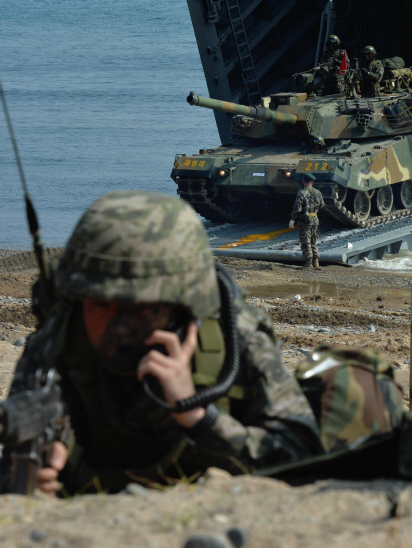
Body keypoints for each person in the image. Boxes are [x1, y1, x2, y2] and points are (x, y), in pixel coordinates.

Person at [0, 191, 322, 495]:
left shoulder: (235, 336)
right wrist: (43, 468)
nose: (120, 328)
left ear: (182, 308)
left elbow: (304, 461)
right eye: (100, 304)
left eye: (143, 308)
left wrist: (198, 415)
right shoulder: (58, 340)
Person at [289, 173, 324, 268]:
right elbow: (322, 205)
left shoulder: (301, 193)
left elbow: (297, 208)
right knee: (313, 240)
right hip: (315, 219)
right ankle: (316, 262)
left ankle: (308, 263)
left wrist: (292, 219)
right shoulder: (318, 192)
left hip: (305, 220)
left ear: (303, 181)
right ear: (312, 182)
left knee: (306, 241)